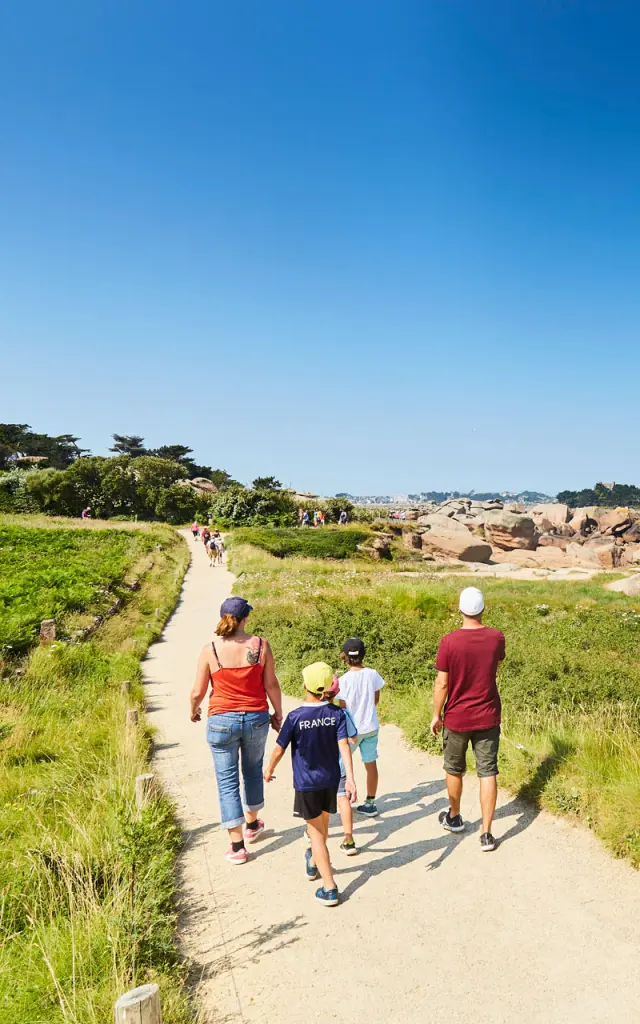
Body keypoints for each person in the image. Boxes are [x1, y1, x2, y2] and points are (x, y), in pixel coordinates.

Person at [190, 596, 283, 864]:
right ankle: (253, 825)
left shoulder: (210, 650)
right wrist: (277, 713)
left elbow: (198, 690)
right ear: (245, 619)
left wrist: (193, 710)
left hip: (221, 720)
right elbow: (272, 685)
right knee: (253, 770)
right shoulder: (261, 646)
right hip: (255, 717)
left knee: (227, 780)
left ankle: (237, 846)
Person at [264, 662, 357, 906]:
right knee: (323, 827)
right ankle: (314, 862)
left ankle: (329, 888)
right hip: (331, 780)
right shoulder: (336, 714)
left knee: (315, 834)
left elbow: (279, 749)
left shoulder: (295, 717)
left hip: (307, 784)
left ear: (305, 685)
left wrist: (269, 769)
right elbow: (344, 746)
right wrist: (351, 778)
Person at [430, 586, 505, 852]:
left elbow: (442, 684)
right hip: (487, 715)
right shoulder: (497, 638)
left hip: (457, 717)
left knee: (453, 768)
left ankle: (454, 816)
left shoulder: (449, 641)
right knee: (488, 771)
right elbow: (493, 667)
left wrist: (436, 715)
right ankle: (486, 833)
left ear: (459, 609)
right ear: (483, 609)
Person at [336, 637, 385, 817]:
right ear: (363, 654)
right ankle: (370, 802)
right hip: (371, 726)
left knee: (341, 764)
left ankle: (343, 798)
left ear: (345, 657)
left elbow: (343, 708)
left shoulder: (343, 680)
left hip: (352, 730)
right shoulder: (373, 674)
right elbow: (376, 699)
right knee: (370, 763)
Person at [325, 675, 359, 855]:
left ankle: (313, 832)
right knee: (343, 800)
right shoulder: (343, 714)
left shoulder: (311, 715)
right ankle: (349, 839)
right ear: (336, 693)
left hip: (318, 768)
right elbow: (353, 737)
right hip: (339, 766)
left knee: (320, 802)